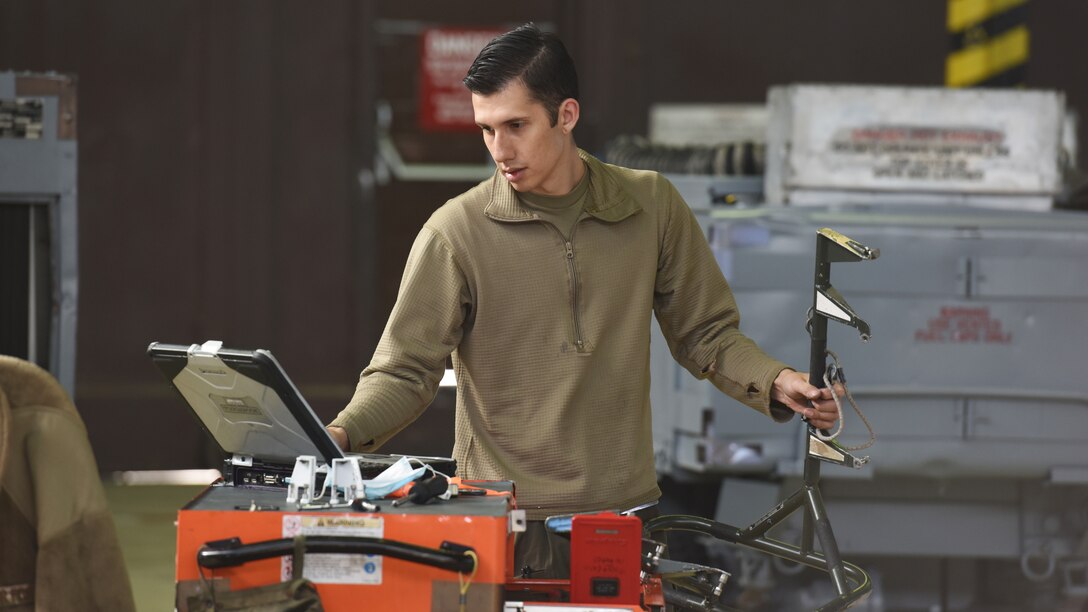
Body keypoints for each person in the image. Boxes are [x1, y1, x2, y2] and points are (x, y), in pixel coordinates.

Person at [328, 22, 841, 578]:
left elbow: (705, 334)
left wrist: (777, 380)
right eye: (486, 130)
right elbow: (404, 371)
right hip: (502, 523)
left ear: (566, 115)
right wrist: (335, 435)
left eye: (516, 126)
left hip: (624, 520)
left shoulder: (651, 205)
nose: (500, 149)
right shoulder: (455, 232)